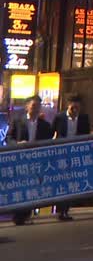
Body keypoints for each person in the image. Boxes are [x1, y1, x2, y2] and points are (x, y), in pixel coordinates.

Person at [8, 96, 54, 226]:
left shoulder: (45, 125)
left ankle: (26, 215)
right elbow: (9, 138)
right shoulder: (18, 121)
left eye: (38, 106)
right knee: (20, 186)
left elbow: (48, 141)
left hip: (36, 161)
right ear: (27, 106)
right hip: (20, 160)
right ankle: (18, 215)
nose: (36, 109)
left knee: (32, 187)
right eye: (34, 106)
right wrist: (17, 144)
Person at [52, 95, 91, 221]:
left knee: (73, 183)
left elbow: (86, 136)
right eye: (72, 107)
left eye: (77, 107)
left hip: (76, 155)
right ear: (68, 106)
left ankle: (68, 209)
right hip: (61, 154)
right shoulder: (59, 117)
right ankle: (60, 210)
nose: (74, 110)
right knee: (61, 182)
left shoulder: (84, 118)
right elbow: (51, 133)